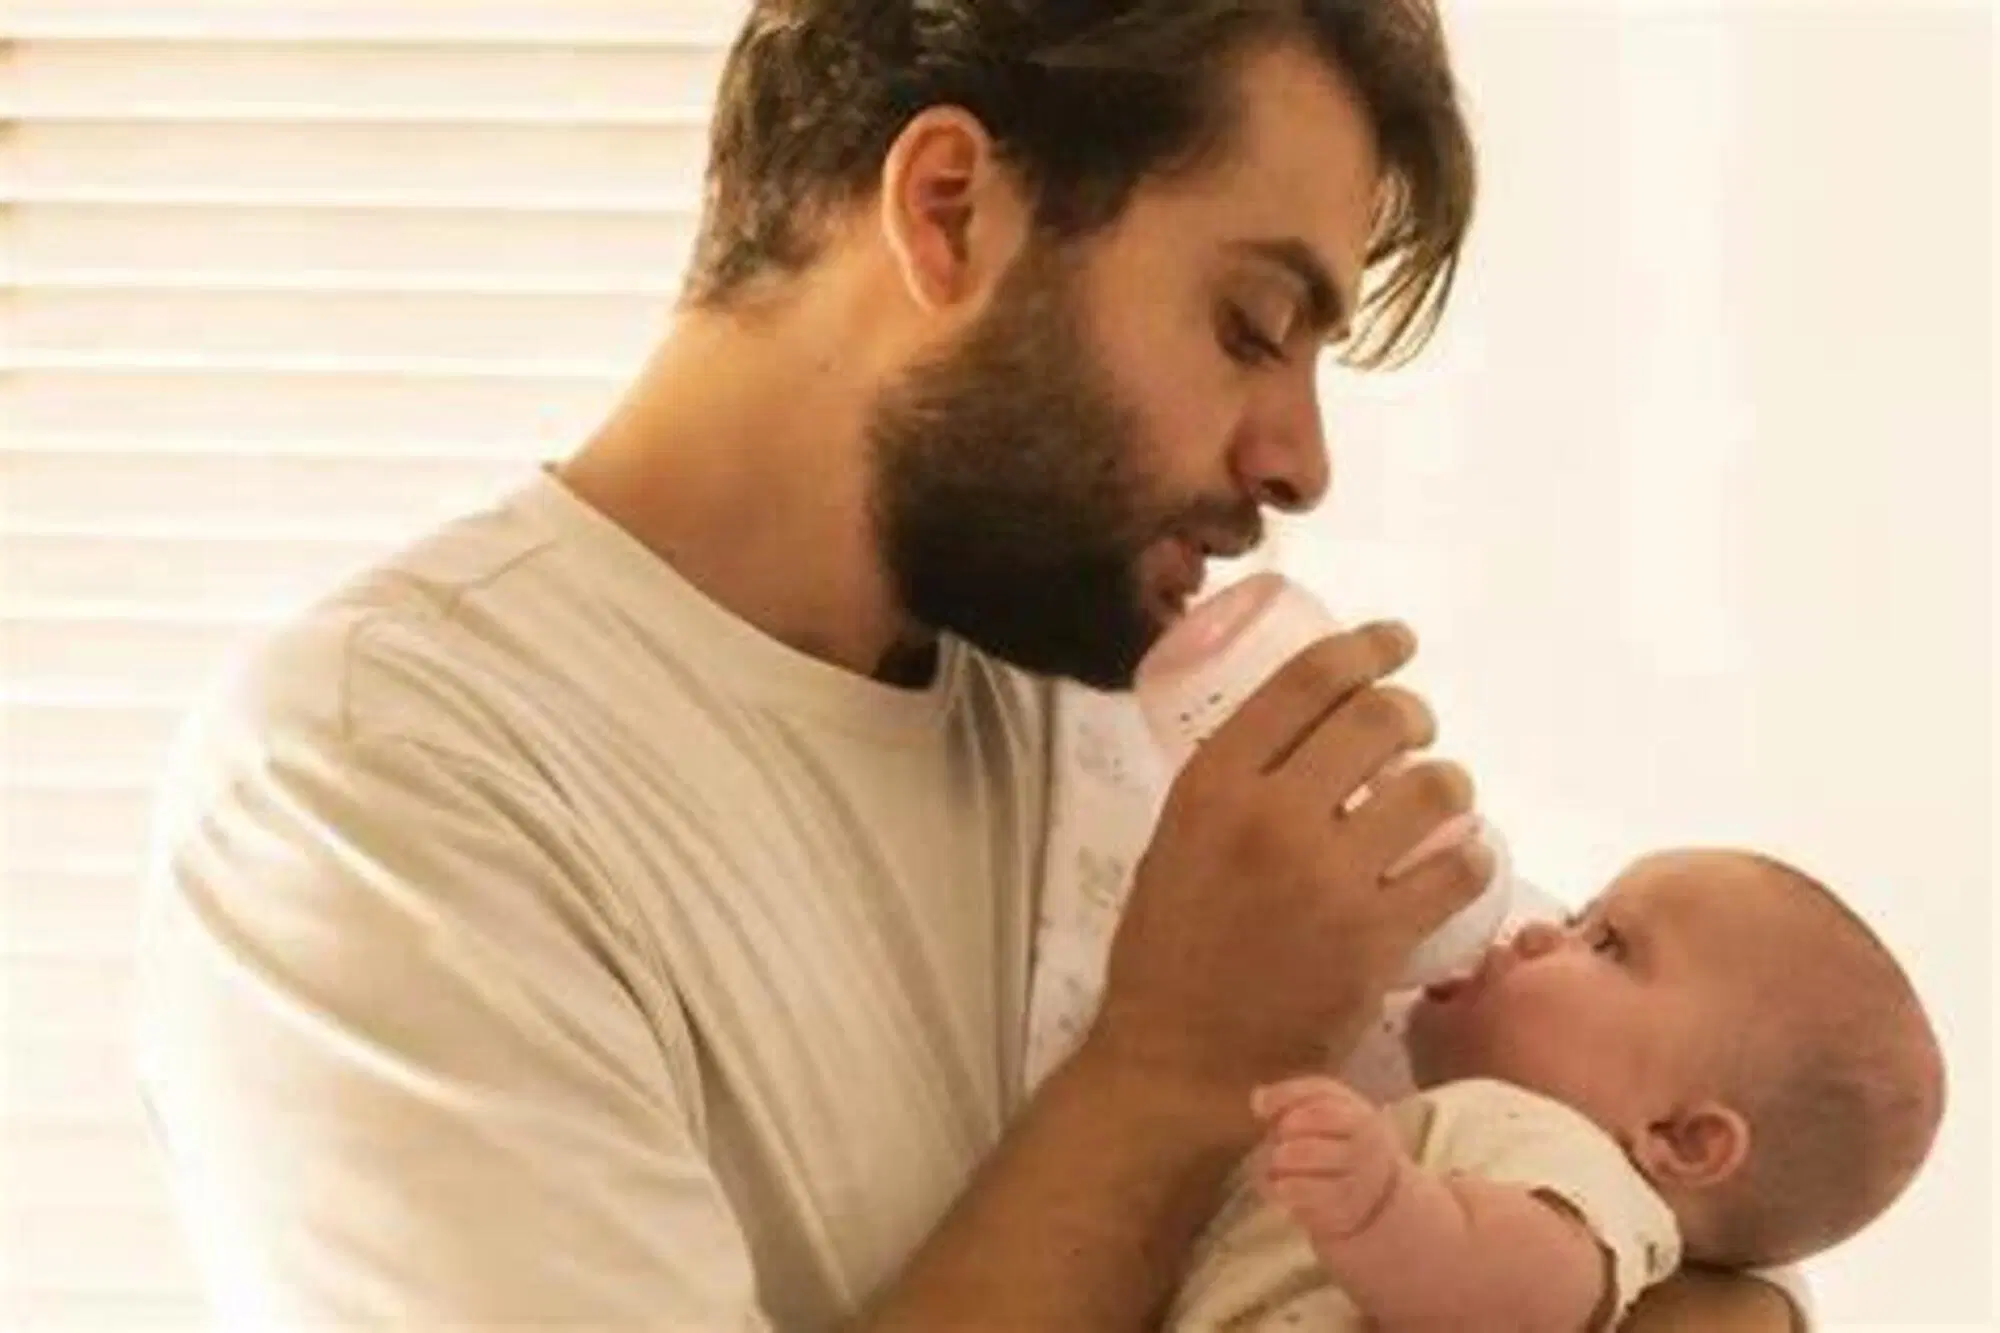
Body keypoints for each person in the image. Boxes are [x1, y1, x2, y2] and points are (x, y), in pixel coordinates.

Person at [133, 1, 1800, 1328]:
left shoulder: (1103, 663)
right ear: (949, 209)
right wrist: (1173, 1066)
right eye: (1246, 325)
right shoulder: (375, 784)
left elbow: (1719, 1169)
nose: (1300, 462)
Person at [1166, 849, 1945, 1330]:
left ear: (1681, 1138)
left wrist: (1381, 1205)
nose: (1538, 932)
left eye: (1606, 943)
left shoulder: (1578, 1166)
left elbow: (1517, 1297)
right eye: (1578, 915)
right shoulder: (1502, 1131)